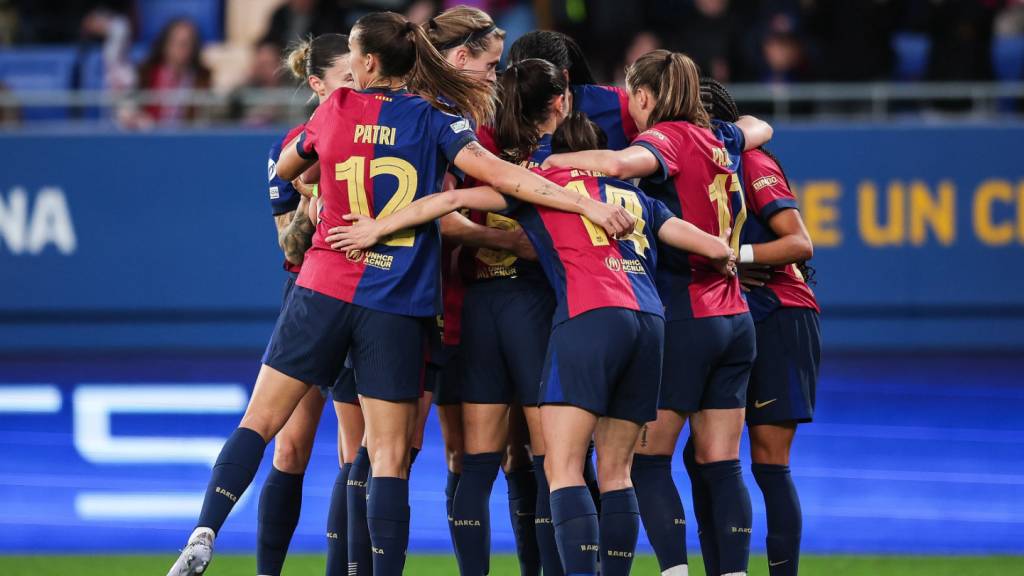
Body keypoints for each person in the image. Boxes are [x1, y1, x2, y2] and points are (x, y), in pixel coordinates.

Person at [165, 12, 635, 576]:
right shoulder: (437, 120)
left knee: (258, 424)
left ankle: (206, 528)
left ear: (365, 62)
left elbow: (291, 168)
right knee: (388, 456)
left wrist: (319, 188)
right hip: (396, 301)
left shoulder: (333, 109)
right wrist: (584, 203)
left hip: (323, 286)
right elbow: (504, 180)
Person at [324, 112, 737, 576]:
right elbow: (714, 247)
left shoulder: (540, 183)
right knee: (617, 472)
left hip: (589, 316)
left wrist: (378, 228)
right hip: (650, 322)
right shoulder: (639, 198)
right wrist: (731, 260)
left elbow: (451, 198)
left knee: (561, 470)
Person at [541, 49, 773, 576]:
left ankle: (673, 571)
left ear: (642, 96)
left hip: (683, 311)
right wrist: (731, 130)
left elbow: (622, 164)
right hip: (734, 316)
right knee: (721, 464)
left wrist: (552, 165)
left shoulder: (665, 137)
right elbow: (762, 126)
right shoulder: (720, 138)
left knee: (644, 461)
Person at [253, 34, 366, 576]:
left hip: (362, 293)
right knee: (288, 449)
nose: (358, 86)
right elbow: (291, 247)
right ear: (318, 85)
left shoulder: (375, 135)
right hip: (306, 295)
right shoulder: (290, 149)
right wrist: (314, 193)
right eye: (347, 78)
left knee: (355, 452)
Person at [701, 77, 820, 576]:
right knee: (704, 457)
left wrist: (734, 255)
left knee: (768, 460)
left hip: (780, 312)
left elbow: (800, 243)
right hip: (737, 314)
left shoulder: (751, 161)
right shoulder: (694, 165)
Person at [508, 30, 638, 151]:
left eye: (535, 87)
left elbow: (657, 142)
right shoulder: (500, 119)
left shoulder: (621, 106)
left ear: (564, 78)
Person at [131, 18, 211, 127]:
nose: (181, 48)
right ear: (165, 44)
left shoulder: (203, 79)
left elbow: (204, 121)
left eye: (187, 43)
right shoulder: (144, 74)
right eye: (176, 42)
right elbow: (128, 110)